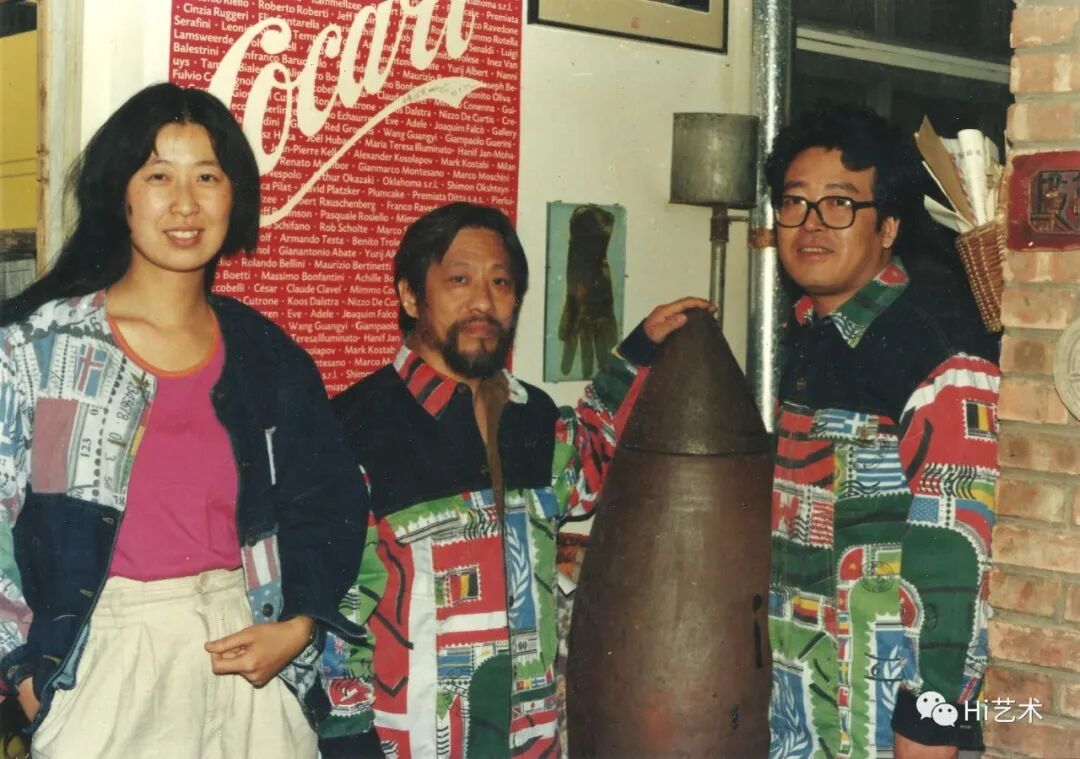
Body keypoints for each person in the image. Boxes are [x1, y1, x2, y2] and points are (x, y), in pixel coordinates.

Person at [0, 83, 368, 757]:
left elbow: (330, 501)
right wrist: (24, 678)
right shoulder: (39, 350)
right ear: (120, 193)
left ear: (234, 195)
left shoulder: (266, 356)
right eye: (158, 176)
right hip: (104, 665)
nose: (185, 203)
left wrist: (301, 624)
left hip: (252, 658)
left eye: (207, 176)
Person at [318, 202, 710, 758]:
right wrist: (348, 742)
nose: (483, 301)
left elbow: (589, 468)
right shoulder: (353, 428)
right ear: (410, 296)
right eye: (459, 280)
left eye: (500, 282)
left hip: (528, 738)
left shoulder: (534, 417)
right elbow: (333, 613)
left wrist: (640, 349)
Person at [764, 103, 1000, 759]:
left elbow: (958, 559)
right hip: (807, 714)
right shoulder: (815, 337)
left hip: (890, 732)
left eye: (840, 204)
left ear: (889, 225)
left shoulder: (938, 350)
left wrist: (929, 729)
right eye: (795, 203)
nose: (811, 224)